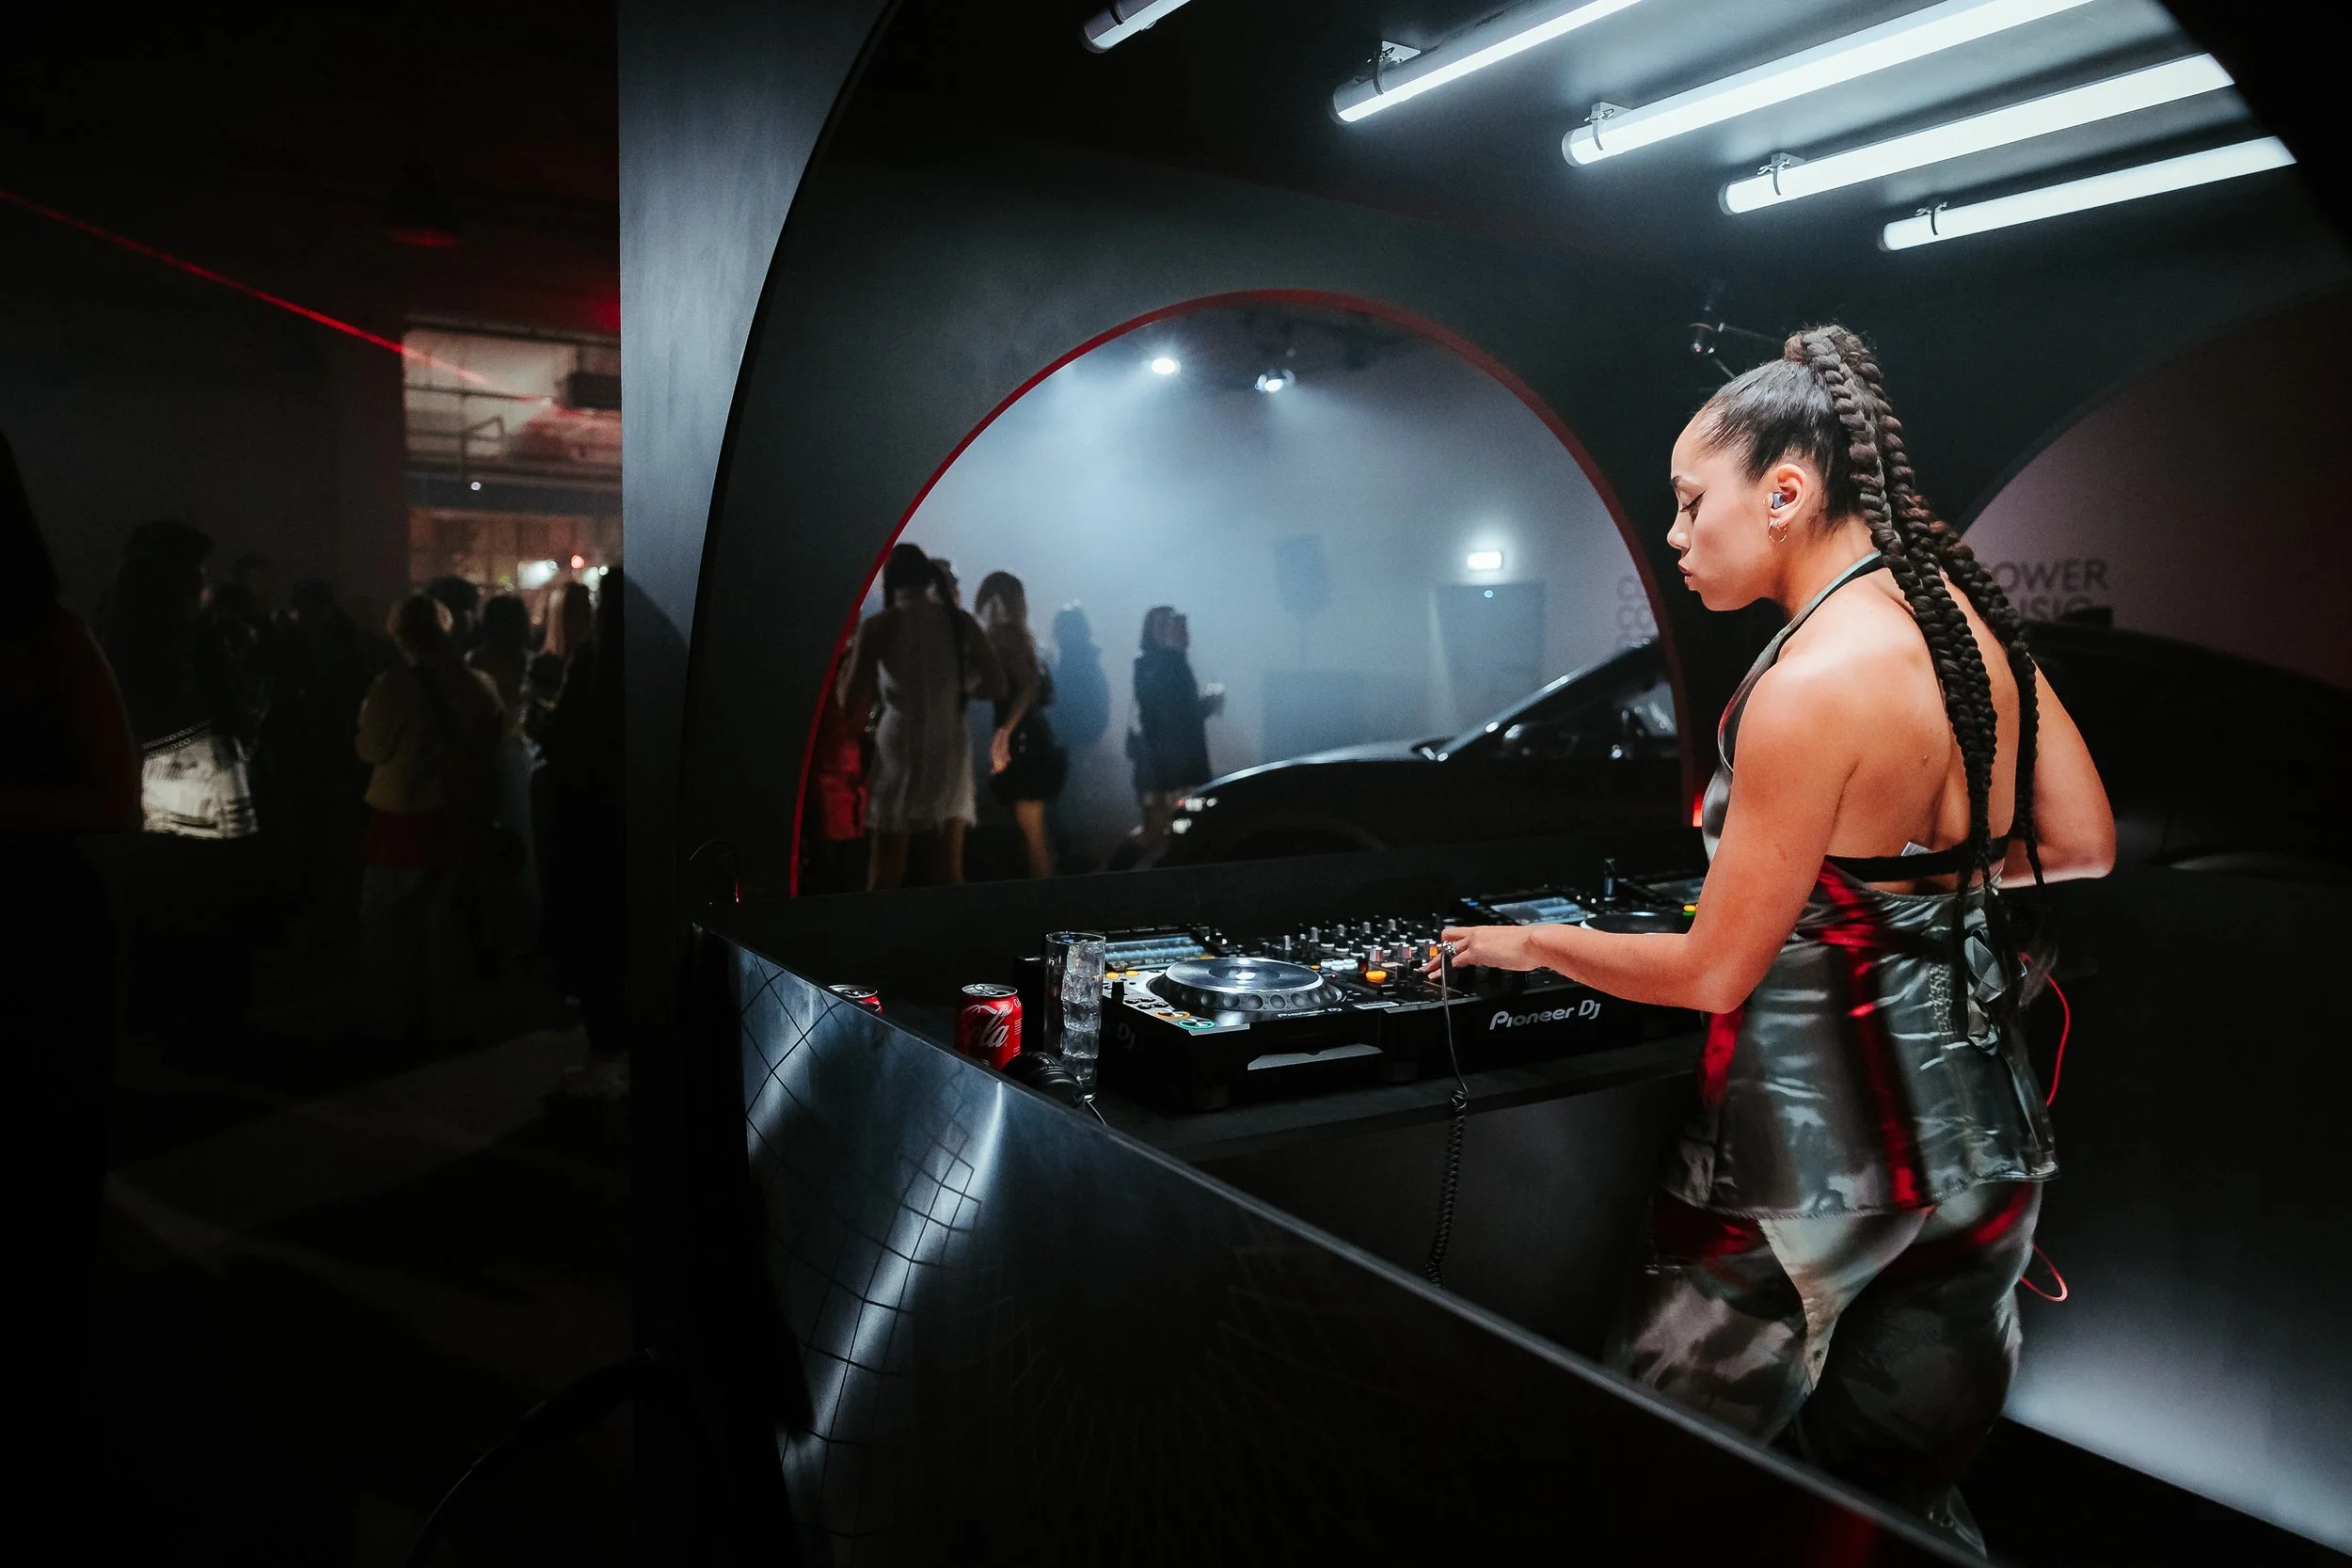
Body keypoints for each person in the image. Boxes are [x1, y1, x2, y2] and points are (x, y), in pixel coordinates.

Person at [1429, 327, 2114, 1550]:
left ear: (1785, 491)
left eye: (1694, 503)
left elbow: (1712, 970)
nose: (1679, 536)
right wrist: (1903, 889)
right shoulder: (1972, 637)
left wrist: (1531, 947)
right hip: (1987, 1160)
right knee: (1896, 1506)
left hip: (1807, 1170)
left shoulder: (1808, 684)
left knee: (1646, 1489)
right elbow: (2083, 842)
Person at [0, 429, 138, 1539]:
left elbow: (115, 797)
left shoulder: (52, 640)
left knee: (44, 1183)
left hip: (37, 936)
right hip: (43, 928)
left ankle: (48, 1419)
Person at [356, 593, 503, 1043]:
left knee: (390, 925)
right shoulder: (478, 684)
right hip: (456, 815)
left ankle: (397, 1020)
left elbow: (371, 749)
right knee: (447, 923)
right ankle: (449, 1020)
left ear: (401, 636)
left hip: (402, 817)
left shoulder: (393, 686)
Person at [834, 544, 999, 890]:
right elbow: (996, 684)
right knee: (947, 872)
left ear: (888, 580)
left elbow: (851, 701)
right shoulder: (959, 622)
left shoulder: (880, 625)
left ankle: (881, 938)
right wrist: (956, 688)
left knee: (886, 870)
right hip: (949, 743)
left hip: (900, 746)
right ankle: (947, 939)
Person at [539, 569, 625, 1096]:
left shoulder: (591, 663)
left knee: (599, 943)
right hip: (645, 822)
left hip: (590, 825)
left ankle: (605, 1059)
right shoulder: (661, 661)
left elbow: (559, 738)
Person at [975, 571, 1064, 879]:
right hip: (1034, 738)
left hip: (1022, 743)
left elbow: (1026, 688)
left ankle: (1049, 904)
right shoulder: (1022, 635)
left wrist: (1004, 733)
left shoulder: (1003, 636)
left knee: (1031, 834)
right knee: (1033, 834)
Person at [1128, 605, 1221, 851]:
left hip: (1179, 767)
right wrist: (1206, 706)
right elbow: (1168, 714)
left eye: (1173, 624)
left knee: (1179, 834)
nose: (1170, 630)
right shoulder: (1152, 665)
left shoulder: (1173, 663)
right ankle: (1121, 874)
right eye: (1161, 625)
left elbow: (1181, 714)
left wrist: (1206, 705)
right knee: (1158, 835)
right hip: (1163, 770)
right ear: (1150, 632)